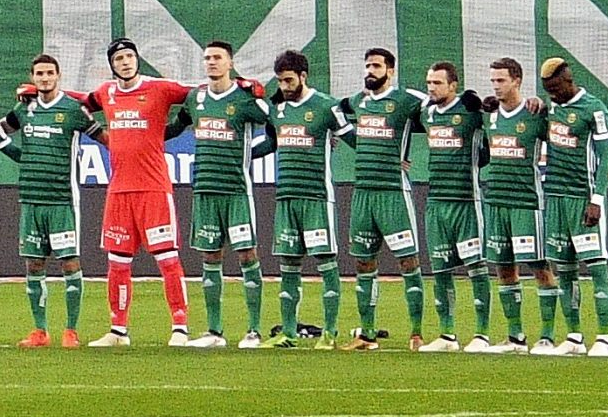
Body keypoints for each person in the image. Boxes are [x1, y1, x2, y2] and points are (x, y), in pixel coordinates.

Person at [79, 39, 193, 345]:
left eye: (130, 56)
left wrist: (247, 86)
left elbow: (198, 95)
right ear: (112, 64)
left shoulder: (160, 88)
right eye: (119, 58)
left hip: (154, 188)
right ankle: (118, 330)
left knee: (168, 259)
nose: (126, 61)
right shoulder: (106, 93)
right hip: (118, 191)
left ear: (137, 59)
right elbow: (81, 102)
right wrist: (42, 93)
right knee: (117, 264)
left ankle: (180, 326)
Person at [0, 54, 97, 348]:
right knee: (34, 264)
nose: (44, 78)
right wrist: (18, 155)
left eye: (49, 73)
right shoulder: (25, 109)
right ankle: (40, 331)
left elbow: (103, 137)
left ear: (58, 76)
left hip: (62, 200)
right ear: (33, 76)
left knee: (69, 262)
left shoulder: (73, 110)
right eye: (39, 73)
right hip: (31, 199)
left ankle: (71, 330)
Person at [178, 42, 269, 348]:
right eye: (207, 58)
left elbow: (277, 127)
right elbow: (174, 127)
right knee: (210, 257)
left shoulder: (245, 99)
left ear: (230, 63)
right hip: (205, 189)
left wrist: (251, 155)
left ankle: (254, 330)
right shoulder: (196, 98)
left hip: (236, 191)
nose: (211, 62)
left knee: (247, 255)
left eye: (217, 58)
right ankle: (214, 332)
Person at [340, 45, 426, 349]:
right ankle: (367, 333)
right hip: (363, 191)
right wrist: (346, 140)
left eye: (376, 66)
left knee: (408, 261)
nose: (370, 71)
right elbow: (334, 114)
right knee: (363, 263)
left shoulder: (407, 100)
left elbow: (440, 110)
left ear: (391, 70)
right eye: (368, 66)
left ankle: (416, 332)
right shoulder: (357, 102)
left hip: (393, 191)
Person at [266, 49, 346, 350]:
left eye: (289, 80)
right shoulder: (277, 110)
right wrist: (241, 154)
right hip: (286, 197)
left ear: (303, 76)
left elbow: (353, 138)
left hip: (316, 197)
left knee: (326, 263)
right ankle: (287, 332)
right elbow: (271, 144)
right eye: (280, 81)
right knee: (288, 265)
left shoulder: (326, 106)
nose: (284, 86)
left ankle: (330, 333)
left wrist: (395, 157)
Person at [479, 56, 555, 355]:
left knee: (540, 268)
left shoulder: (536, 114)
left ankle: (547, 337)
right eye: (493, 81)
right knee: (504, 269)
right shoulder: (488, 115)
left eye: (501, 80)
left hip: (526, 202)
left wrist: (543, 103)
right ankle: (515, 337)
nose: (496, 86)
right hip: (495, 200)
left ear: (517, 81)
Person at [538, 54, 608, 356]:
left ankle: (604, 338)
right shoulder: (552, 107)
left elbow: (606, 156)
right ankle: (574, 337)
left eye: (555, 88)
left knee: (596, 268)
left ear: (568, 79)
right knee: (565, 270)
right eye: (547, 90)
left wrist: (597, 199)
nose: (551, 94)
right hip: (554, 198)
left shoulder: (594, 108)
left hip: (582, 198)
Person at [418, 59, 491, 354]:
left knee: (476, 266)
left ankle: (482, 334)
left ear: (453, 85)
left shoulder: (471, 113)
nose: (432, 88)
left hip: (466, 200)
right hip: (436, 201)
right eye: (429, 83)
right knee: (440, 269)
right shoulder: (428, 113)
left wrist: (481, 104)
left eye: (437, 83)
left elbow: (500, 117)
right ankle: (447, 335)